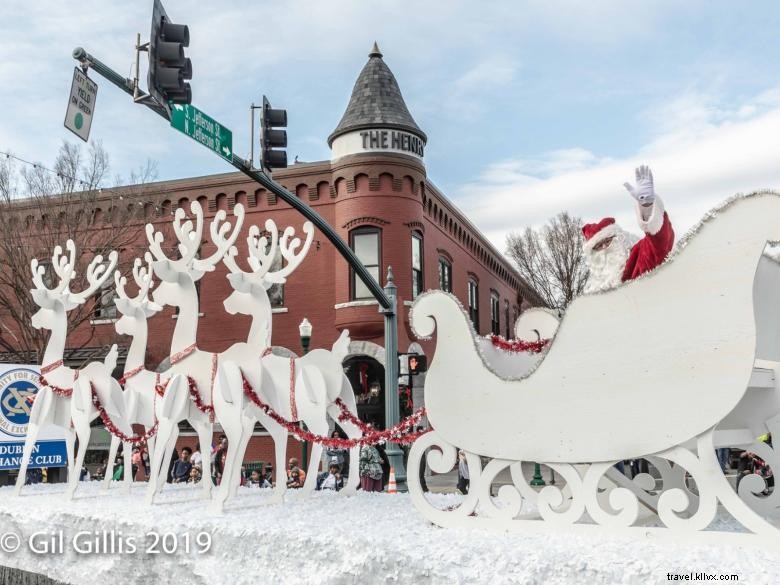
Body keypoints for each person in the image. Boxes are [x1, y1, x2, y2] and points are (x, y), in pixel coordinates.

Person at [582, 165, 675, 293]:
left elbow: (658, 246)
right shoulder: (593, 287)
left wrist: (647, 206)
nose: (604, 248)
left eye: (607, 241)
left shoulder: (636, 258)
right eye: (598, 246)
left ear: (619, 238)